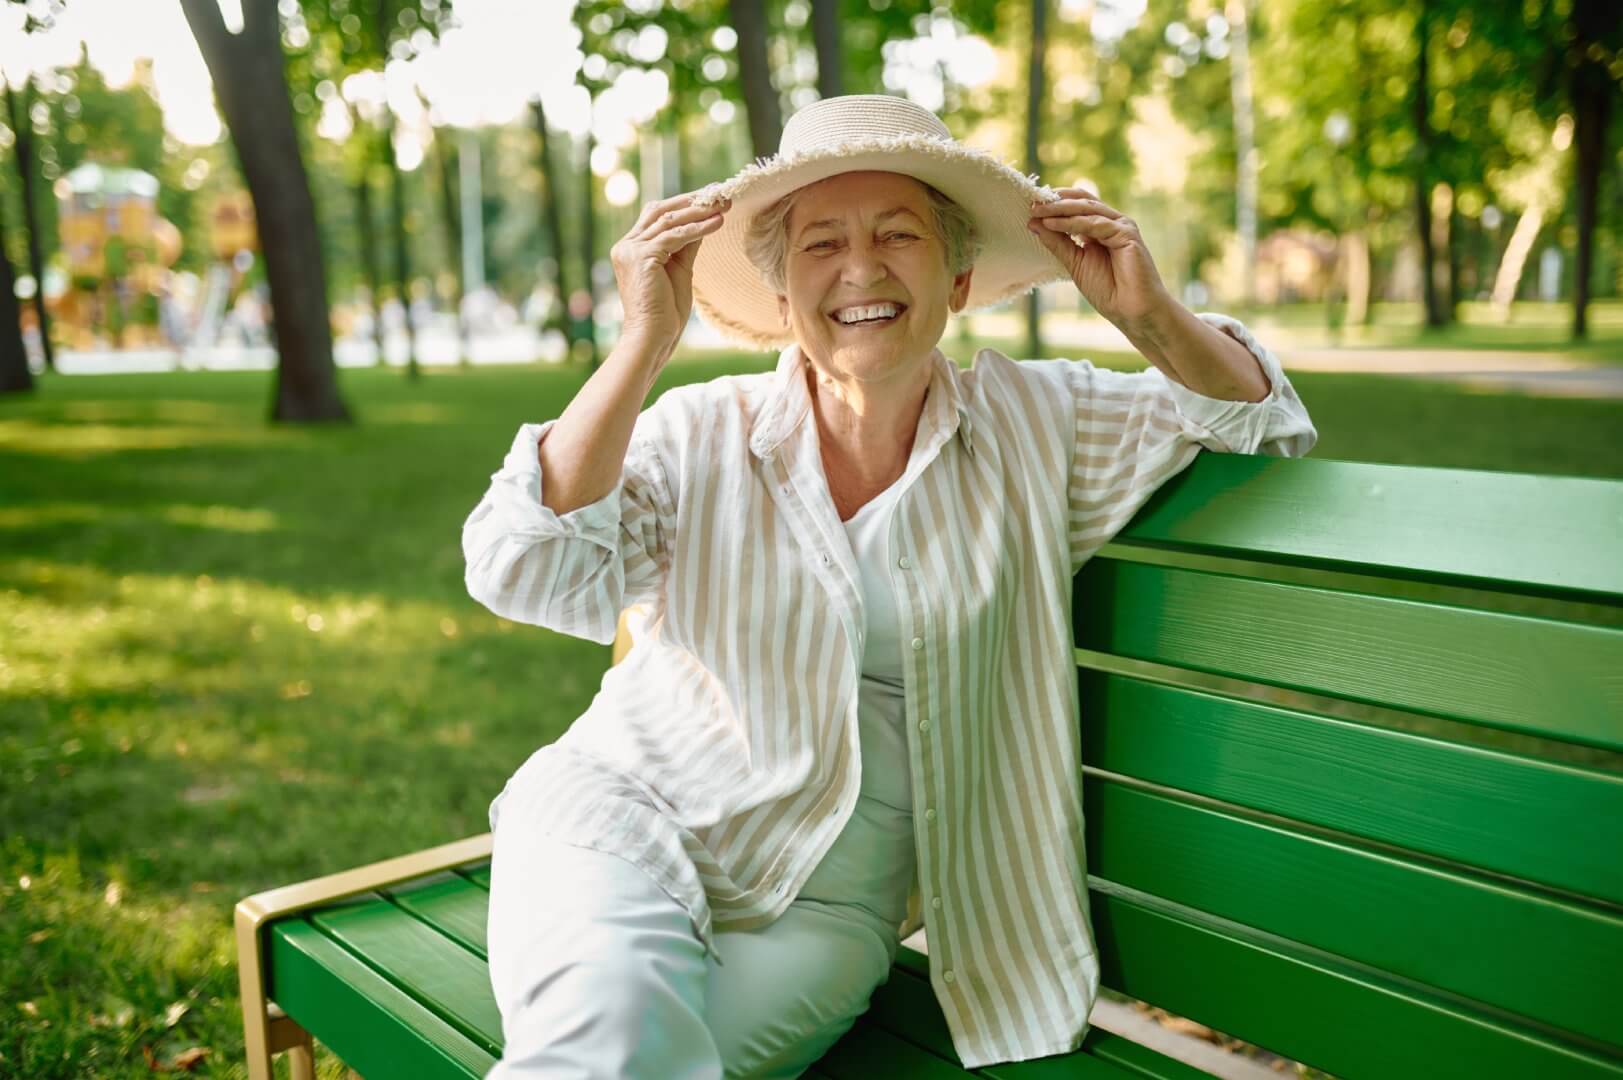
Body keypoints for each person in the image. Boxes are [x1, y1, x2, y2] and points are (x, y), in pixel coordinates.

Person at [462, 94, 1315, 1078]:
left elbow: (1264, 427)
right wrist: (642, 346)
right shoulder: (702, 431)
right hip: (624, 823)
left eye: (896, 234)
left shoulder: (1040, 424)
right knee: (607, 1048)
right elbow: (519, 565)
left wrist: (1147, 315)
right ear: (782, 295)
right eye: (822, 243)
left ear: (956, 276)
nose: (860, 269)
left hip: (827, 910)